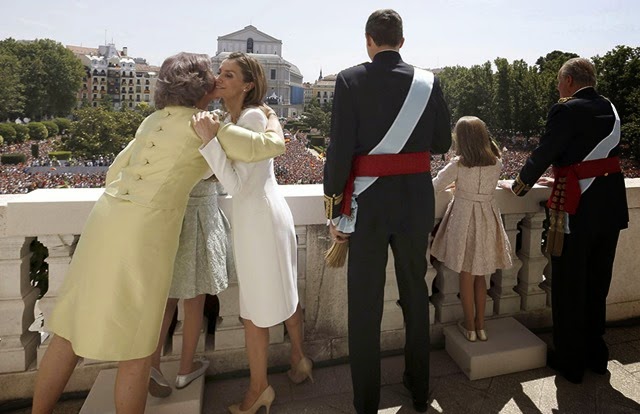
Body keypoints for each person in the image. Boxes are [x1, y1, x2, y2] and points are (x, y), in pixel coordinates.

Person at [32, 52, 287, 414]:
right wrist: (273, 116)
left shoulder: (152, 121)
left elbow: (114, 173)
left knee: (68, 333)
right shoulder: (208, 125)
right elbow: (272, 147)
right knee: (136, 350)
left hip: (104, 222)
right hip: (144, 235)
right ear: (201, 87)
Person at [323, 9, 451, 414]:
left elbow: (340, 151)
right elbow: (441, 141)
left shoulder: (349, 79)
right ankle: (418, 388)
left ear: (368, 39)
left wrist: (334, 207)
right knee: (415, 293)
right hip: (415, 201)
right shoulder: (429, 82)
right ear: (402, 40)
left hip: (368, 205)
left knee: (365, 305)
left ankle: (367, 400)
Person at [193, 52, 312, 414]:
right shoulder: (244, 117)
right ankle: (299, 359)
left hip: (258, 218)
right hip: (262, 215)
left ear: (248, 84)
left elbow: (237, 186)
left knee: (253, 312)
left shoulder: (252, 116)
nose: (220, 78)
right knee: (283, 290)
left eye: (229, 75)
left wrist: (210, 143)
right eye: (220, 72)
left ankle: (259, 389)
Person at [506, 57, 628, 384]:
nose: (559, 88)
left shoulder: (566, 109)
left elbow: (544, 152)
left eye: (560, 83)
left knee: (569, 286)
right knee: (597, 283)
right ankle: (596, 355)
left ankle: (571, 362)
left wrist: (520, 185)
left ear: (570, 81)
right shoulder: (611, 108)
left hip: (578, 206)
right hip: (611, 206)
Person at [148, 176, 235, 397]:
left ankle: (152, 365)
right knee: (195, 302)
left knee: (166, 302)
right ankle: (185, 369)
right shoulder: (211, 141)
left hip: (174, 220)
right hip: (203, 218)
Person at [430, 116, 512, 342]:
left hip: (464, 218)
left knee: (465, 276)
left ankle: (469, 327)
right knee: (480, 276)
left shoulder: (458, 164)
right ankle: (481, 326)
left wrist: (457, 186)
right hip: (487, 217)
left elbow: (435, 186)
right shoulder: (497, 163)